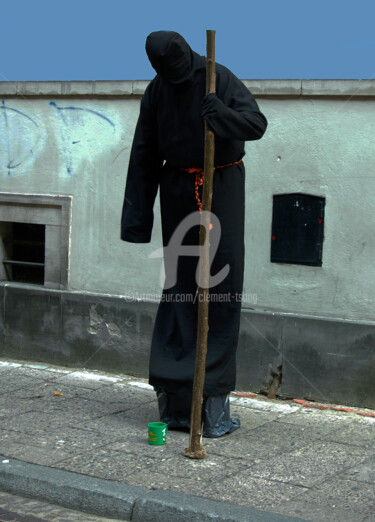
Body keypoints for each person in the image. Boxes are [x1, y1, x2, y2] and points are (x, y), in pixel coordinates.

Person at [121, 31, 267, 437]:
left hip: (221, 187)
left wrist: (220, 114)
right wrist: (136, 220)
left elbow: (256, 125)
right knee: (181, 286)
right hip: (178, 190)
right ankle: (177, 395)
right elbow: (144, 152)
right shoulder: (156, 91)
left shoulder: (218, 77)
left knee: (220, 283)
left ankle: (212, 394)